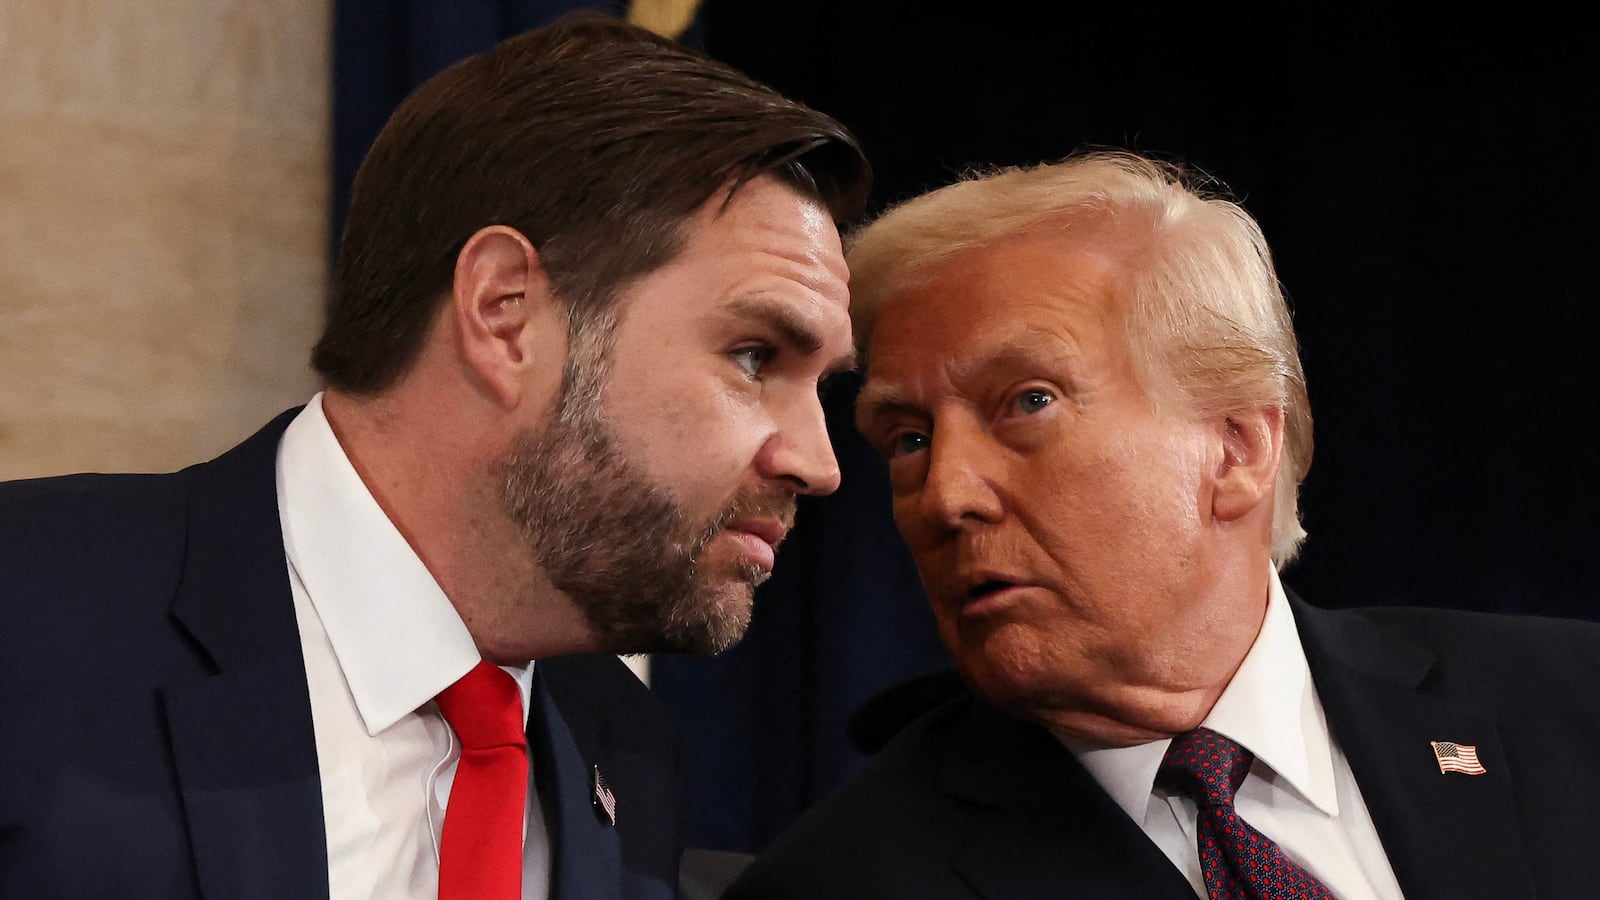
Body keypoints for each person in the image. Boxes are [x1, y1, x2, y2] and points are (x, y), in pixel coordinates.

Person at [0, 12, 869, 900]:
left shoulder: (625, 744)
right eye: (756, 356)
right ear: (505, 312)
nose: (819, 460)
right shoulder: (27, 609)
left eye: (822, 384)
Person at [725, 150, 1600, 899]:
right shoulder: (846, 880)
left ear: (1238, 448)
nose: (947, 495)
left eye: (1028, 402)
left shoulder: (1569, 707)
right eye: (909, 440)